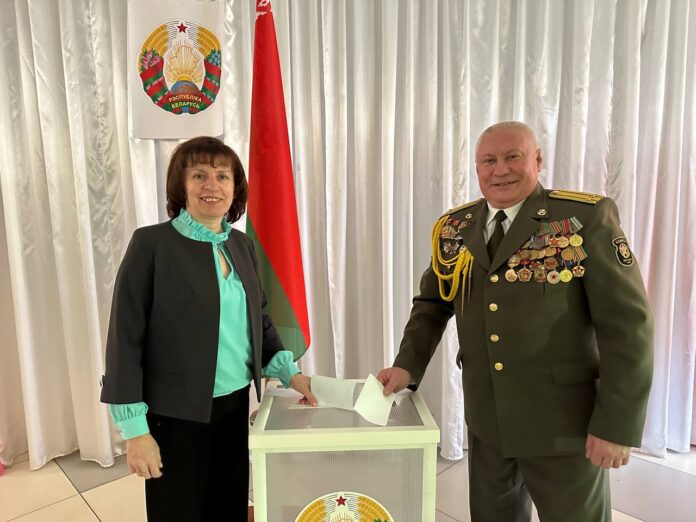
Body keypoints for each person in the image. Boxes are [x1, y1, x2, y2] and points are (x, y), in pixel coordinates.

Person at [378, 121, 653, 521]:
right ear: (477, 168)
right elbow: (432, 305)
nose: (500, 170)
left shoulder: (583, 219)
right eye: (488, 160)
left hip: (563, 425)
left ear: (537, 160)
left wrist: (615, 425)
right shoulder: (456, 228)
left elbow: (628, 328)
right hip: (488, 422)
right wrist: (407, 365)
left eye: (513, 157)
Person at [100, 136, 317, 521]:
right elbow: (125, 340)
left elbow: (258, 318)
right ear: (181, 186)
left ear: (235, 188)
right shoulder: (151, 245)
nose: (211, 185)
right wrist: (135, 432)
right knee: (179, 513)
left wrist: (291, 373)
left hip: (234, 405)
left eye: (222, 176)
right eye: (199, 175)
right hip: (174, 415)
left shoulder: (241, 245)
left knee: (227, 507)